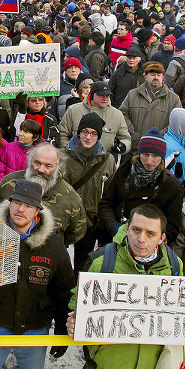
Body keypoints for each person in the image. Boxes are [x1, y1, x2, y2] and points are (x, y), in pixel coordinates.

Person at [0, 178, 75, 369]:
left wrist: (62, 330)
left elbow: (64, 290)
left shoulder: (53, 245)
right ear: (9, 203)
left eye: (28, 206)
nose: (21, 210)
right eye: (17, 203)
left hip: (34, 328)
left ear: (37, 210)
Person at [67, 204, 184, 369]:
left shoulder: (174, 265)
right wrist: (76, 320)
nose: (141, 239)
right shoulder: (101, 262)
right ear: (127, 228)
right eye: (136, 230)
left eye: (150, 234)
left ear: (162, 238)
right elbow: (77, 301)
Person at [98, 128, 185, 244]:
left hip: (147, 248)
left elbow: (172, 228)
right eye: (146, 154)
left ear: (162, 157)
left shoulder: (172, 187)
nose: (149, 161)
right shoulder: (124, 172)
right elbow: (106, 202)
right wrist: (112, 225)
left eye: (155, 156)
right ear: (139, 154)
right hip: (113, 240)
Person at [0, 143, 86, 247]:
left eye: (48, 166)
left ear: (58, 168)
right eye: (37, 163)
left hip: (48, 256)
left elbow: (76, 233)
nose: (41, 170)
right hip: (6, 251)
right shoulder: (8, 183)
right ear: (30, 161)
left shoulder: (70, 198)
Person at [61, 111, 117, 270]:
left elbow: (111, 192)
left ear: (98, 136)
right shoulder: (63, 155)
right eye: (85, 132)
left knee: (83, 263)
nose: (88, 137)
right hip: (66, 219)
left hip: (91, 221)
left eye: (93, 133)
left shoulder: (107, 160)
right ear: (79, 133)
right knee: (61, 262)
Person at [119, 62, 181, 148]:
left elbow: (176, 122)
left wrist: (159, 135)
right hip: (134, 146)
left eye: (159, 75)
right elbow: (122, 113)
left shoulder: (174, 99)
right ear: (146, 77)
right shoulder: (132, 94)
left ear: (162, 77)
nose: (156, 78)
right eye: (152, 75)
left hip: (158, 147)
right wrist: (132, 131)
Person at [59, 81, 131, 154]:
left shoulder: (117, 114)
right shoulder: (73, 110)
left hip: (105, 161)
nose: (105, 99)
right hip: (76, 159)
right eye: (101, 95)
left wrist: (123, 146)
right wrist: (68, 150)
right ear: (92, 95)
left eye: (107, 96)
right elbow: (63, 134)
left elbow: (125, 137)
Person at [0, 118, 41, 185]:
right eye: (21, 130)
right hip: (8, 188)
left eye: (26, 132)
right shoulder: (9, 147)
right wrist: (1, 186)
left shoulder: (40, 153)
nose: (21, 134)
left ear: (35, 137)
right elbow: (1, 170)